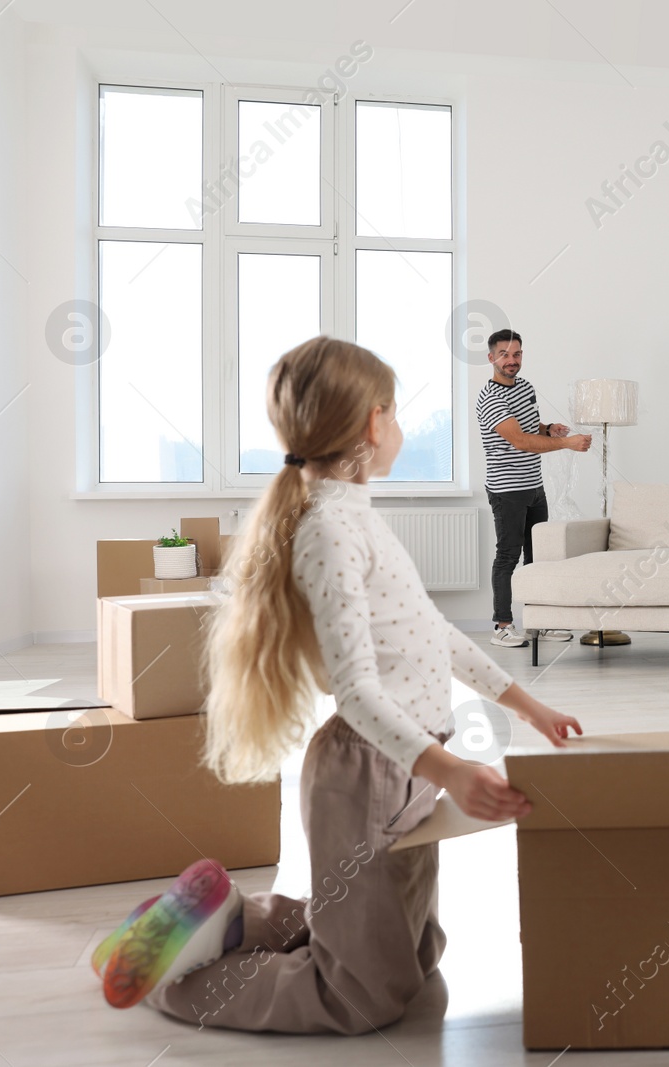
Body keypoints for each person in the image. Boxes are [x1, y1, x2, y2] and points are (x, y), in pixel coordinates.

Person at [91, 336, 583, 1032]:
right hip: (366, 775)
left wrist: (528, 705)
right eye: (396, 411)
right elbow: (355, 691)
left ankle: (231, 919)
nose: (401, 426)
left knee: (417, 962)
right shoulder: (328, 529)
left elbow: (432, 634)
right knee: (357, 997)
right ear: (372, 425)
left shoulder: (358, 516)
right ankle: (167, 977)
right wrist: (449, 765)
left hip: (407, 768)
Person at [476, 328, 591, 647]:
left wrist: (550, 428)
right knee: (508, 555)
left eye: (517, 354)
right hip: (507, 490)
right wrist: (566, 443)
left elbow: (529, 428)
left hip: (533, 486)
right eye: (504, 355)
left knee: (537, 556)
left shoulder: (525, 387)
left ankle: (539, 623)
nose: (511, 360)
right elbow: (521, 441)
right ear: (491, 358)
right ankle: (502, 625)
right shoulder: (490, 399)